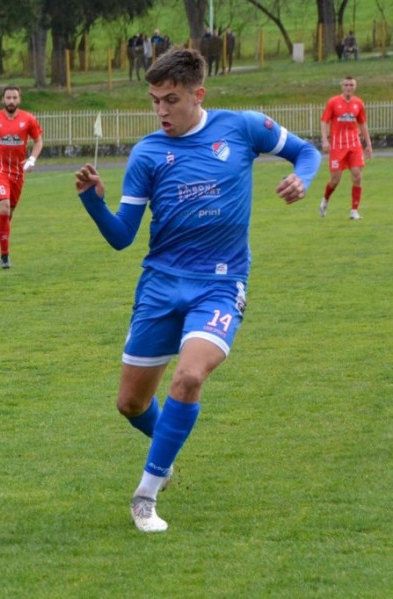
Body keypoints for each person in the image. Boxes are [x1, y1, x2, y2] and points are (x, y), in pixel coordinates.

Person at [74, 47, 320, 533]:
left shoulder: (242, 128)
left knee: (188, 377)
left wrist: (303, 179)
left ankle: (145, 494)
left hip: (221, 285)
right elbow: (122, 237)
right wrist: (93, 202)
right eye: (154, 101)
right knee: (131, 404)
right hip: (160, 285)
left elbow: (307, 152)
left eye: (171, 100)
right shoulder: (147, 154)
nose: (161, 111)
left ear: (198, 94)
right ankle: (164, 452)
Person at [0, 85, 43, 270]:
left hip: (18, 172)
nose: (11, 101)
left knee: (8, 214)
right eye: (8, 98)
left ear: (19, 99)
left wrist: (32, 159)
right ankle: (5, 256)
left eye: (14, 98)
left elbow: (38, 141)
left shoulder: (28, 119)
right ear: (2, 100)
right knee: (4, 207)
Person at [319, 76, 372, 220]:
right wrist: (325, 140)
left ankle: (354, 211)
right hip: (337, 146)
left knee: (357, 176)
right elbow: (324, 121)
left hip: (354, 145)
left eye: (351, 85)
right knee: (335, 180)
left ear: (355, 87)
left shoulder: (358, 103)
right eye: (346, 85)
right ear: (342, 87)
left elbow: (363, 124)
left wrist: (368, 144)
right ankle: (325, 200)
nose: (348, 87)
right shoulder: (333, 102)